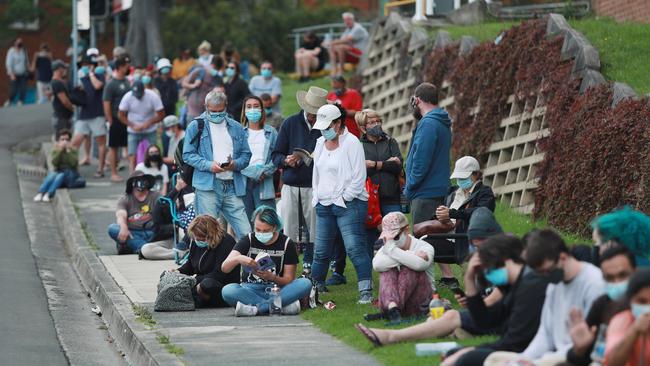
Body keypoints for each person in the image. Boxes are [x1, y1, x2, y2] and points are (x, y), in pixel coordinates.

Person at [355, 228, 512, 348]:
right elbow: (378, 264)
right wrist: (470, 299)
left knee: (448, 318)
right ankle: (394, 324)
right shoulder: (505, 281)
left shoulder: (519, 281)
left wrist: (470, 279)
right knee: (440, 318)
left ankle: (391, 336)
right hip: (492, 317)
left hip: (499, 322)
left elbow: (488, 306)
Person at [484, 229, 606, 366]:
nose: (545, 277)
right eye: (541, 274)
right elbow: (544, 334)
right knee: (493, 360)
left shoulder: (594, 283)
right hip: (549, 355)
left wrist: (537, 363)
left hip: (574, 357)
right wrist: (523, 359)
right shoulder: (554, 284)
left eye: (547, 271)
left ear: (563, 257)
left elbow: (583, 345)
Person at [310, 103, 372, 304]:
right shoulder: (320, 143)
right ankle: (314, 288)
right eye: (322, 127)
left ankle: (366, 290)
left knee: (354, 247)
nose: (324, 130)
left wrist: (344, 197)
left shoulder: (352, 143)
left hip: (349, 204)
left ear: (338, 123)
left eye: (328, 126)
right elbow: (317, 174)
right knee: (321, 250)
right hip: (324, 204)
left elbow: (358, 177)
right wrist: (318, 196)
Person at [272, 86, 327, 276]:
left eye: (316, 114)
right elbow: (276, 155)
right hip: (291, 183)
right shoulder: (290, 123)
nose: (313, 117)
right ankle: (288, 267)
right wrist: (286, 160)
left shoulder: (326, 126)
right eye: (311, 113)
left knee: (314, 230)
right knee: (289, 229)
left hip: (315, 185)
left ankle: (310, 265)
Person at [182, 91, 252, 240]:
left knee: (246, 233)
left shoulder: (236, 127)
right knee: (207, 234)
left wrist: (234, 164)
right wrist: (208, 165)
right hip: (208, 186)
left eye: (221, 111)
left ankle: (245, 263)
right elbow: (187, 155)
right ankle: (208, 263)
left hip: (233, 185)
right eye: (213, 111)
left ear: (226, 106)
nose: (217, 114)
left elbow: (246, 155)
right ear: (206, 107)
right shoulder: (196, 126)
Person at [221, 206, 312, 316]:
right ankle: (278, 307)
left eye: (266, 230)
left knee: (305, 283)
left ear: (274, 227)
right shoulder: (248, 239)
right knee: (228, 290)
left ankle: (257, 309)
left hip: (277, 291)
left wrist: (272, 277)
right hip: (251, 290)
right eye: (258, 230)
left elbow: (289, 280)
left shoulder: (287, 243)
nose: (261, 233)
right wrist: (238, 258)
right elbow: (224, 268)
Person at [566, 245, 637, 366]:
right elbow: (583, 357)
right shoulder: (602, 304)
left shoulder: (643, 305)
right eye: (610, 278)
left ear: (635, 272)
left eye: (622, 275)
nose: (617, 282)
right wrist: (579, 350)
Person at [432, 155, 495, 289]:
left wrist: (452, 213)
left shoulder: (485, 192)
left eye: (464, 177)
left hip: (465, 241)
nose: (461, 180)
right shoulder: (453, 192)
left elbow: (480, 212)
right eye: (459, 177)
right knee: (419, 245)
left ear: (476, 175)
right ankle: (428, 288)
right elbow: (442, 213)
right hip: (447, 237)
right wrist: (440, 215)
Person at [372, 212, 434, 322]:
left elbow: (419, 265)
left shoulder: (424, 246)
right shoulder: (388, 246)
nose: (390, 241)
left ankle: (390, 311)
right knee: (387, 270)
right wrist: (412, 254)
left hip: (420, 302)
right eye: (386, 238)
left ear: (406, 230)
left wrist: (393, 251)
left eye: (394, 237)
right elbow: (377, 265)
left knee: (410, 268)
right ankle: (392, 309)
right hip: (393, 302)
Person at [405, 82, 452, 227]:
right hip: (438, 189)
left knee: (423, 243)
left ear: (417, 100)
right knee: (434, 241)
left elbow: (421, 160)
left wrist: (410, 185)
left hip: (425, 193)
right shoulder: (441, 121)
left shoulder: (428, 124)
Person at [356, 108, 403, 248]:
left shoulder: (390, 142)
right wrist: (387, 163)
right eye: (372, 122)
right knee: (370, 239)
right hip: (369, 200)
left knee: (396, 235)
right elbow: (359, 171)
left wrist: (374, 164)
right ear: (364, 128)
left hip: (391, 197)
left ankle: (398, 266)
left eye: (378, 121)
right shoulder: (358, 146)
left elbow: (398, 166)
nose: (377, 124)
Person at [173, 215, 240, 308]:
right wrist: (178, 272)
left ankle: (199, 299)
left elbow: (219, 274)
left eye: (203, 238)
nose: (199, 240)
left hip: (222, 285)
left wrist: (192, 281)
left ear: (212, 234)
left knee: (207, 284)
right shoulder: (195, 241)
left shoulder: (226, 242)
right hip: (201, 281)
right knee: (170, 277)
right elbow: (190, 265)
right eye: (197, 237)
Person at [240, 95, 278, 219]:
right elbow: (235, 160)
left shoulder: (271, 132)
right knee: (247, 224)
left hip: (264, 181)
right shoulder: (239, 133)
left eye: (256, 106)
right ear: (244, 111)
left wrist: (263, 171)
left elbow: (277, 157)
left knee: (267, 220)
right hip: (243, 182)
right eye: (249, 107)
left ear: (262, 109)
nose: (252, 110)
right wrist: (254, 172)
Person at [604, 268, 650, 366]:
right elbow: (613, 363)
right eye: (642, 301)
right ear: (630, 301)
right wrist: (634, 331)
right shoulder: (621, 321)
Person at [107, 170, 161, 254]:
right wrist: (123, 227)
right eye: (139, 179)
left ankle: (134, 246)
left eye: (144, 179)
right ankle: (143, 248)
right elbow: (121, 215)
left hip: (151, 232)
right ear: (132, 183)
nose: (142, 182)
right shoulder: (125, 199)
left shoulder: (155, 196)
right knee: (112, 228)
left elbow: (165, 207)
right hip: (131, 232)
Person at [71, 55, 108, 178]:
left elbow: (98, 86)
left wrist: (91, 74)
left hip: (98, 113)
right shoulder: (82, 77)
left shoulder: (99, 75)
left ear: (92, 65)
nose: (84, 67)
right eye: (83, 65)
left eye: (87, 65)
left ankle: (100, 169)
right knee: (75, 142)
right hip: (84, 114)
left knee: (101, 142)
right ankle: (72, 168)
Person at [118, 80, 165, 171]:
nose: (138, 96)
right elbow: (121, 114)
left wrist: (148, 123)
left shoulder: (152, 96)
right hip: (133, 130)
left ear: (144, 90)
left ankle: (154, 173)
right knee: (132, 155)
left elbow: (161, 114)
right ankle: (132, 177)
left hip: (150, 129)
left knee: (154, 154)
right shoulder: (127, 97)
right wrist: (132, 125)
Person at [33, 128, 85, 202]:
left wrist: (68, 151)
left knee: (61, 175)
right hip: (59, 171)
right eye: (62, 139)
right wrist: (60, 151)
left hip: (70, 174)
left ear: (70, 141)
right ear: (59, 141)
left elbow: (73, 164)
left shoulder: (73, 150)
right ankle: (40, 193)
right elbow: (54, 163)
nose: (64, 142)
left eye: (67, 140)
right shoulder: (56, 150)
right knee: (52, 175)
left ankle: (48, 194)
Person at [103, 54, 132, 182]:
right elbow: (106, 103)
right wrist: (110, 119)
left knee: (129, 146)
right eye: (126, 66)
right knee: (114, 147)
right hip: (115, 119)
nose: (128, 68)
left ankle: (132, 172)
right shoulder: (111, 84)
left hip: (127, 118)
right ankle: (114, 172)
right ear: (120, 67)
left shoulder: (127, 82)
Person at [182, 58, 223, 122]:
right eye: (213, 67)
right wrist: (193, 86)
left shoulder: (217, 78)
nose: (214, 70)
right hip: (192, 110)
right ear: (211, 65)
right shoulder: (200, 71)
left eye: (216, 69)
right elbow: (184, 83)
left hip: (207, 113)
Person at [328, 12, 368, 77]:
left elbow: (346, 40)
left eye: (348, 19)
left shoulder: (358, 28)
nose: (346, 22)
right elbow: (341, 40)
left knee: (340, 47)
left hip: (361, 53)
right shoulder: (348, 29)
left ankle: (341, 70)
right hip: (352, 53)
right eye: (345, 20)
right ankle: (334, 71)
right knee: (332, 48)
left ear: (352, 19)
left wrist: (331, 42)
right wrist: (333, 44)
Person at [49, 60, 75, 133]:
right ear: (59, 69)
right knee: (63, 140)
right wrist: (74, 109)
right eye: (63, 68)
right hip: (62, 118)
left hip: (61, 116)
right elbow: (64, 101)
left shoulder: (56, 82)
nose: (65, 70)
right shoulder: (56, 83)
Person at [5, 37, 29, 106]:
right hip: (14, 74)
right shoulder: (11, 51)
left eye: (21, 42)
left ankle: (21, 101)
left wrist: (29, 69)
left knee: (23, 88)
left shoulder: (24, 50)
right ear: (15, 42)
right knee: (14, 90)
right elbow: (8, 63)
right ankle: (10, 100)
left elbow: (26, 61)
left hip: (23, 74)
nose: (20, 43)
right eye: (19, 42)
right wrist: (11, 73)